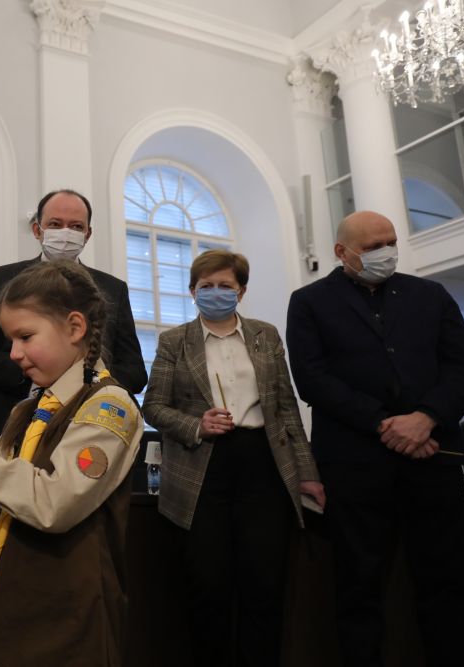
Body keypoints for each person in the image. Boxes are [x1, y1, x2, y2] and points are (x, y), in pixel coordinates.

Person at [0, 260, 142, 666]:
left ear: (74, 327)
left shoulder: (108, 406)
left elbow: (53, 504)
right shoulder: (30, 407)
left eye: (25, 337)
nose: (13, 354)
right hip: (10, 602)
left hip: (68, 618)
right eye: (8, 340)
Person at [286, 210, 464, 667]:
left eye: (390, 242)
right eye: (372, 247)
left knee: (446, 586)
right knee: (358, 590)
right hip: (355, 469)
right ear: (341, 252)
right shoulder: (309, 301)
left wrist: (426, 417)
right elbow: (312, 379)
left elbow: (462, 368)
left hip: (434, 461)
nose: (385, 252)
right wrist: (385, 424)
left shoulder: (431, 295)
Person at [142, 249, 324, 667]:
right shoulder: (174, 341)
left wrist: (308, 473)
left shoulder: (265, 335)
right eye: (206, 286)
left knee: (265, 585)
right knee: (209, 586)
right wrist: (196, 424)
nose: (216, 293)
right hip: (201, 468)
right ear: (192, 291)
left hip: (263, 466)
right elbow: (152, 406)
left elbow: (285, 408)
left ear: (241, 291)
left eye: (225, 286)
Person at [0, 189, 147, 444]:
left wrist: (83, 383)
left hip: (87, 426)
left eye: (75, 226)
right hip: (8, 424)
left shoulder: (112, 288)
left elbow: (135, 371)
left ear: (88, 234)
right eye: (55, 224)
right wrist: (37, 371)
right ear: (38, 230)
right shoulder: (4, 278)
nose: (65, 233)